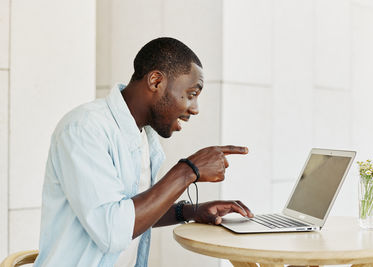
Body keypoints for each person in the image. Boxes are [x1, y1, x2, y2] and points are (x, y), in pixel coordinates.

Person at [33, 37, 253, 267]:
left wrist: (189, 211)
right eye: (191, 94)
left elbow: (129, 210)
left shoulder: (142, 136)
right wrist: (188, 171)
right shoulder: (84, 129)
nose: (195, 109)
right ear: (156, 81)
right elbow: (113, 230)